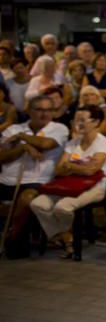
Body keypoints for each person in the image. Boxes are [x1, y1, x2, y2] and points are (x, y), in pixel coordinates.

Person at [29, 105, 106, 258]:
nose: (78, 124)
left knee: (62, 207)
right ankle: (66, 237)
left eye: (82, 120)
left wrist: (71, 165)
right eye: (75, 120)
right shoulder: (73, 143)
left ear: (96, 122)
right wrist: (79, 166)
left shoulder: (102, 142)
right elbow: (58, 170)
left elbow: (91, 171)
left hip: (96, 186)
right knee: (37, 203)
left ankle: (64, 240)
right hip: (69, 184)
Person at [0, 95, 69, 257]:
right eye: (39, 110)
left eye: (48, 110)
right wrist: (23, 149)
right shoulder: (13, 129)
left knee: (27, 197)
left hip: (38, 181)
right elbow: (2, 157)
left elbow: (45, 144)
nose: (44, 114)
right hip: (7, 180)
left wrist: (23, 138)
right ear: (29, 111)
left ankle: (12, 236)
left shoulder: (59, 129)